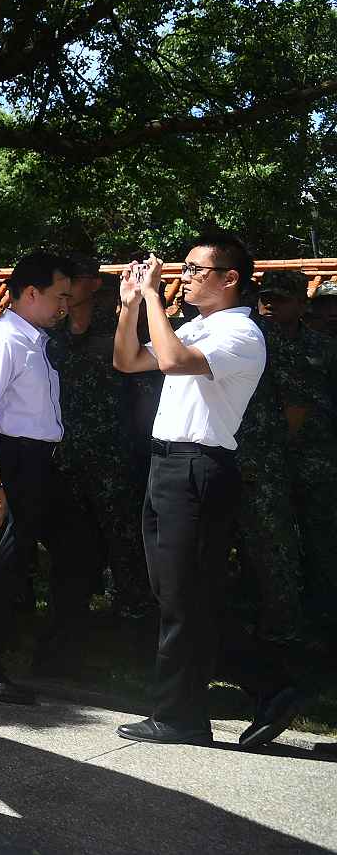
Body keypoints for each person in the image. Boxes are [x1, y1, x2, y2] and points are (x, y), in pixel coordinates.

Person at [113, 235, 302, 748]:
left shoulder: (241, 333)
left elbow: (172, 361)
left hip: (200, 467)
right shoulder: (199, 326)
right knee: (179, 594)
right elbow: (129, 361)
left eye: (198, 269)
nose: (186, 276)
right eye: (186, 267)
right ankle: (271, 684)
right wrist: (131, 306)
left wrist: (153, 298)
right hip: (166, 464)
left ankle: (181, 717)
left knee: (183, 598)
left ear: (230, 279)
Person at [0, 251, 77, 706]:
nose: (64, 305)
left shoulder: (35, 341)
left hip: (42, 461)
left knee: (72, 552)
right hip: (15, 461)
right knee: (5, 566)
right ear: (31, 293)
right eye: (58, 295)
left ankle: (53, 650)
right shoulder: (3, 340)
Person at [48, 256, 149, 627]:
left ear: (92, 284)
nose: (64, 289)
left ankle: (134, 613)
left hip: (117, 455)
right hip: (67, 455)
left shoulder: (119, 332)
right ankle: (74, 615)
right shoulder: (53, 338)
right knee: (71, 539)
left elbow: (145, 394)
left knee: (124, 538)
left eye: (72, 280)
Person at [243, 270, 332, 643]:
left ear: (300, 304)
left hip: (317, 460)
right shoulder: (251, 341)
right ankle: (278, 626)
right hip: (264, 461)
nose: (269, 305)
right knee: (271, 545)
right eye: (266, 297)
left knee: (323, 543)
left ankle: (323, 621)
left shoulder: (323, 347)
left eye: (279, 299)